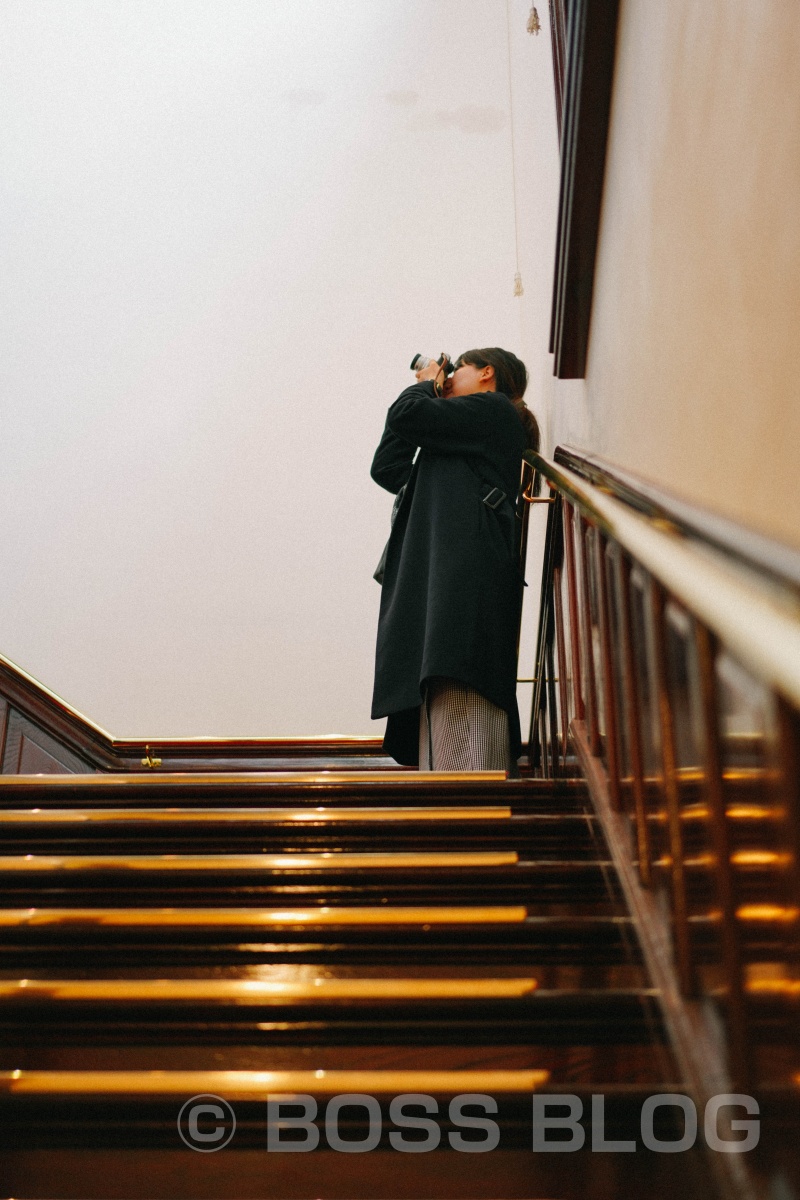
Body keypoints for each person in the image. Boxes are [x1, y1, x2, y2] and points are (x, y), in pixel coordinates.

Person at [370, 347, 539, 771]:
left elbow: (408, 415)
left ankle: (474, 821)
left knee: (462, 677)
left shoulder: (496, 410)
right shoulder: (454, 445)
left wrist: (427, 383)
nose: (449, 375)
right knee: (440, 681)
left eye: (457, 367)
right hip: (442, 585)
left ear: (487, 373)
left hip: (465, 583)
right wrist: (428, 390)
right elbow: (387, 467)